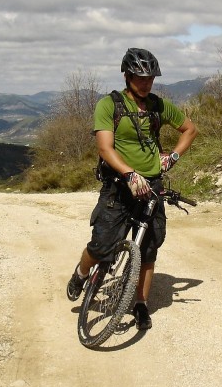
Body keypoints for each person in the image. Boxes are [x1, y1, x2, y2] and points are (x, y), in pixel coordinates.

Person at [66, 48, 198, 331]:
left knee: (148, 248)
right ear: (127, 76)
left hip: (152, 186)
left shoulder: (158, 106)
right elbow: (105, 147)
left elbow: (189, 129)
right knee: (102, 245)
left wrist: (172, 156)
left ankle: (140, 303)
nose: (146, 83)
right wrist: (128, 173)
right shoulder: (109, 105)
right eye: (140, 78)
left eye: (150, 78)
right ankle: (82, 272)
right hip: (119, 186)